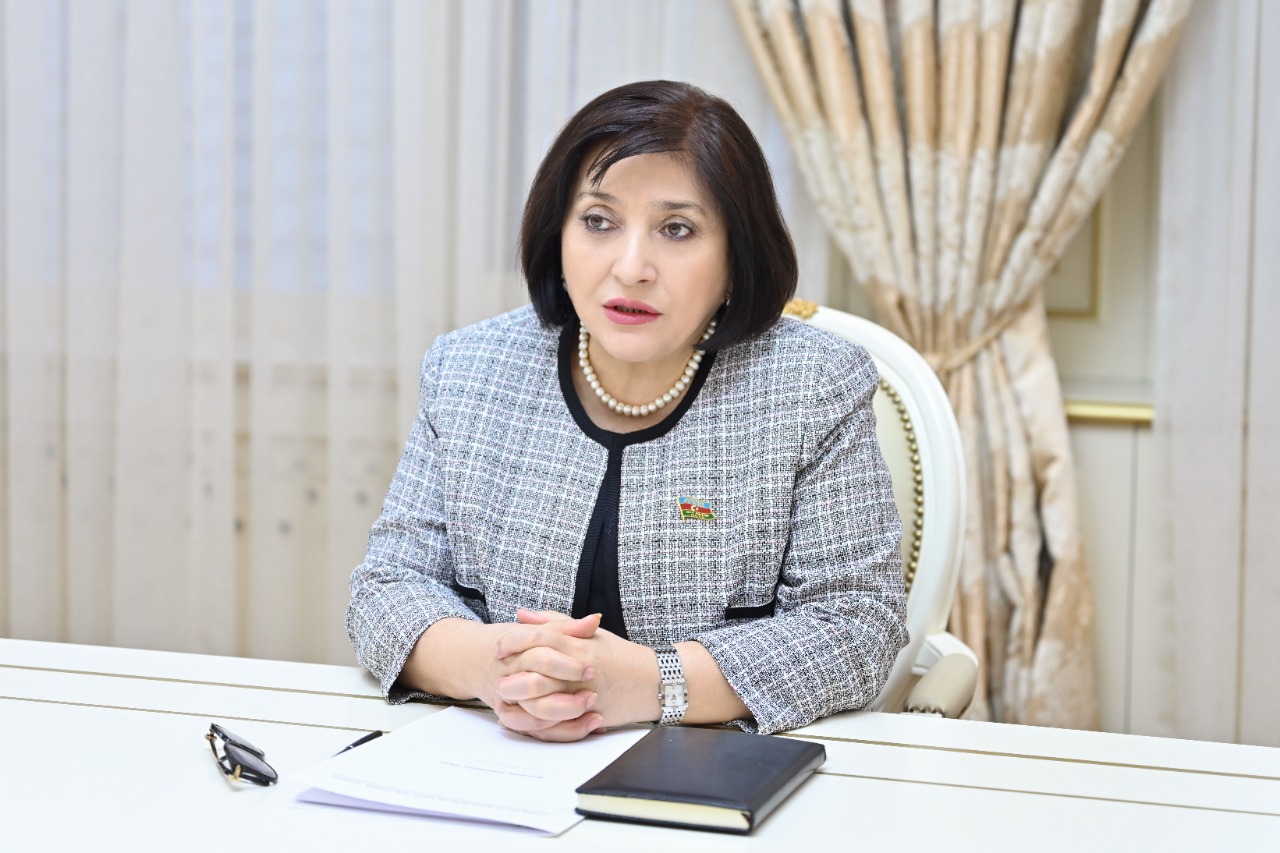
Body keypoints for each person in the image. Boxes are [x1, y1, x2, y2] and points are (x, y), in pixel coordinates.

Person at [346, 80, 908, 740]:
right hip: (497, 757)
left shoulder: (810, 385)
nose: (632, 266)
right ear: (558, 234)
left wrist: (652, 682)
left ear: (737, 254)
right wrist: (499, 669)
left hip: (712, 771)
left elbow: (856, 626)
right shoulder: (469, 370)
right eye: (598, 221)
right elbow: (386, 586)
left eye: (677, 229)